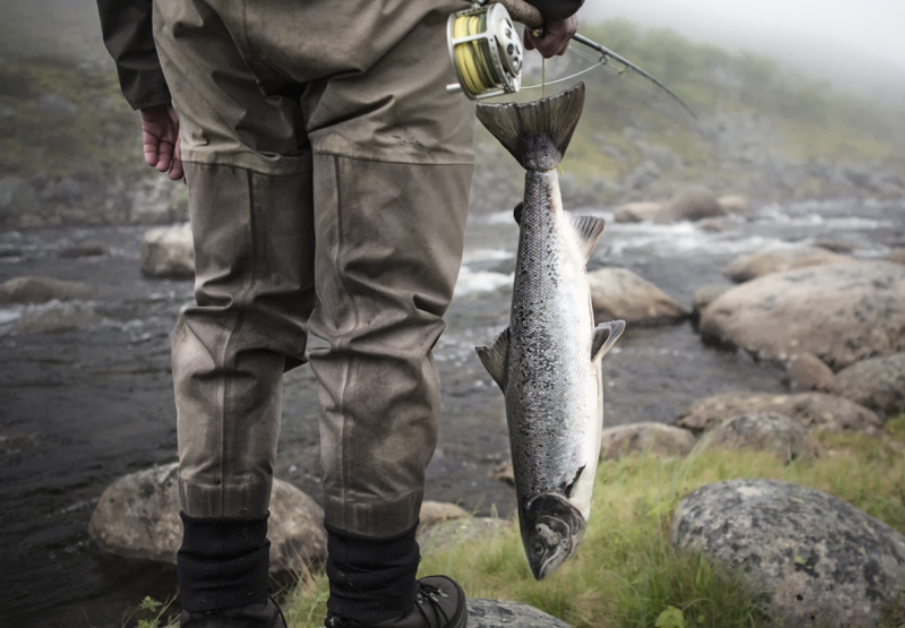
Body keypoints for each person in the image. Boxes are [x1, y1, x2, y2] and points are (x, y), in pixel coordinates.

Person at [96, 0, 582, 626]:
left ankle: (219, 605)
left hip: (204, 21)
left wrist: (144, 68)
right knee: (379, 323)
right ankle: (375, 609)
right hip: (388, 18)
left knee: (232, 311)